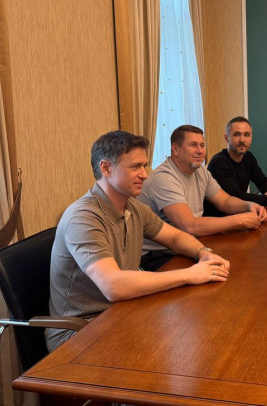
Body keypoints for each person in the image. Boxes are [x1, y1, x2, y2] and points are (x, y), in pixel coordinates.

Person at [46, 131, 230, 352]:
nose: (145, 175)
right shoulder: (83, 218)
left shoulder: (132, 207)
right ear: (106, 168)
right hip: (80, 333)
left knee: (202, 330)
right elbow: (114, 286)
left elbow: (174, 236)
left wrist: (203, 253)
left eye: (144, 166)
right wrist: (190, 275)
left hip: (122, 312)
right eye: (135, 167)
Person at [138, 125, 267, 270]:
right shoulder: (164, 178)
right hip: (159, 255)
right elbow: (189, 226)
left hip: (189, 245)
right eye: (193, 145)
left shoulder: (200, 170)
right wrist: (239, 221)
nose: (200, 151)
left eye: (202, 145)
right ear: (175, 149)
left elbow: (225, 201)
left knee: (241, 261)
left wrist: (249, 205)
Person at [205, 116, 267, 216]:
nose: (242, 140)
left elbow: (262, 181)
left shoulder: (248, 157)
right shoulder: (218, 163)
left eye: (246, 135)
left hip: (239, 215)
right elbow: (236, 197)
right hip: (220, 219)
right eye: (237, 134)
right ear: (226, 138)